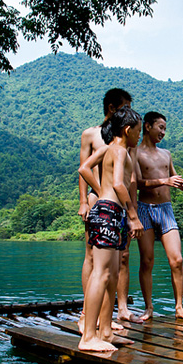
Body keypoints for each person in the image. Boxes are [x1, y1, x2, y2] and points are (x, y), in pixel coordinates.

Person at [77, 107, 144, 351]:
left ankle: (105, 332)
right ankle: (88, 337)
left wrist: (99, 191)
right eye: (137, 131)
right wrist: (133, 216)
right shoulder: (119, 150)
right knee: (102, 274)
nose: (139, 136)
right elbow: (118, 183)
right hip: (108, 213)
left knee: (112, 275)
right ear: (127, 130)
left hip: (112, 212)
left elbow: (84, 168)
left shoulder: (107, 148)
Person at [135, 112, 183, 321]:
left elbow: (172, 176)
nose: (163, 132)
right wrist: (165, 181)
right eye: (160, 127)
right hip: (144, 209)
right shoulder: (135, 153)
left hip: (166, 210)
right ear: (147, 126)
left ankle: (179, 307)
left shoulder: (166, 154)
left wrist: (180, 183)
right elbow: (137, 183)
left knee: (177, 260)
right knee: (147, 261)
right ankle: (148, 308)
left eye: (165, 129)